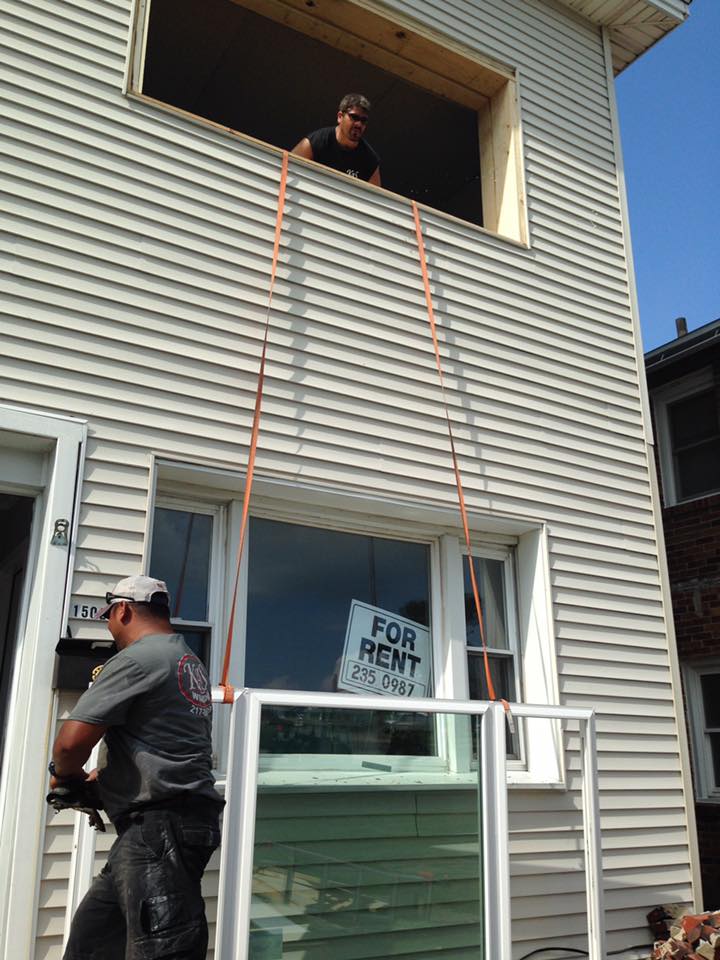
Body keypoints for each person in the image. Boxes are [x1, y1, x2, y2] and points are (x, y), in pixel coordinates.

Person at [49, 575, 223, 960]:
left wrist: (64, 775)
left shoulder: (138, 658)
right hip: (167, 827)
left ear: (123, 609)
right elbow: (165, 745)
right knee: (93, 941)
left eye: (109, 617)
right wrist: (106, 779)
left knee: (160, 950)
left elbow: (70, 742)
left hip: (160, 831)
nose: (110, 628)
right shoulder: (185, 659)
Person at [292, 93, 381, 185]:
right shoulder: (317, 142)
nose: (359, 124)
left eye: (363, 120)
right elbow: (288, 169)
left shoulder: (370, 160)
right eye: (354, 117)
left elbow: (374, 197)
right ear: (340, 117)